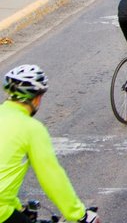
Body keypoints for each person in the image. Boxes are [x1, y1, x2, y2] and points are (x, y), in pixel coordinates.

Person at [1, 65, 98, 223]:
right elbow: (51, 176)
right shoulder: (31, 129)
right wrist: (80, 214)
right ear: (37, 98)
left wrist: (18, 209)